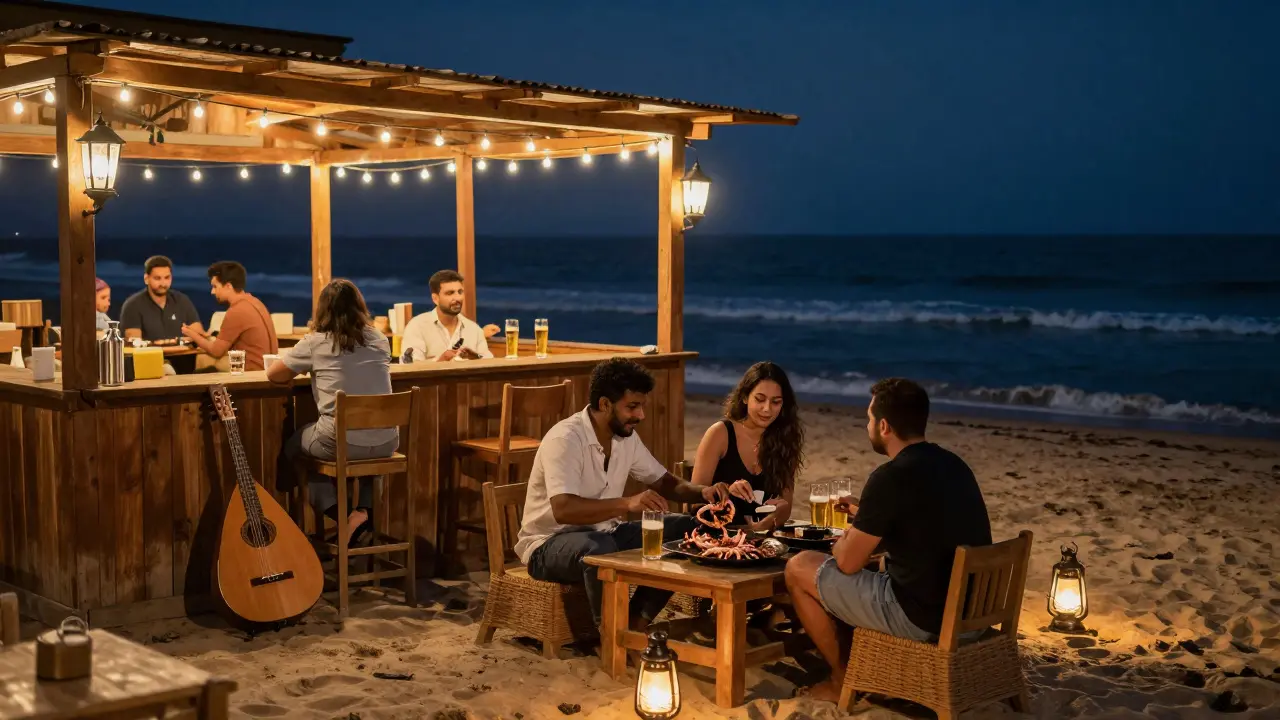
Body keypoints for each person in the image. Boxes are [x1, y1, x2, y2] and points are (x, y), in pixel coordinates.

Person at [784, 378, 992, 703]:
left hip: (923, 619)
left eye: (868, 419)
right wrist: (869, 515)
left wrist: (847, 535)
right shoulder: (954, 465)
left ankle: (841, 680)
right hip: (972, 616)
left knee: (799, 567)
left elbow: (847, 562)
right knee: (878, 562)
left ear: (884, 425)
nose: (867, 425)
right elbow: (926, 523)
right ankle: (864, 664)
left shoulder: (890, 476)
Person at [516, 357, 733, 628]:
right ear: (605, 404)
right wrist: (628, 503)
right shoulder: (566, 439)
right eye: (632, 407)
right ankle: (611, 635)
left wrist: (704, 493)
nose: (640, 415)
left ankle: (635, 622)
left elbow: (665, 482)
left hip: (606, 533)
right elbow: (564, 509)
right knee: (600, 549)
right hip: (549, 544)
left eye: (641, 406)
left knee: (692, 530)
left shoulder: (625, 438)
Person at [268, 278, 398, 549]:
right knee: (369, 460)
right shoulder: (379, 338)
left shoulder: (315, 342)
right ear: (360, 307)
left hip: (339, 442)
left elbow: (274, 374)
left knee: (299, 448)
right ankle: (363, 513)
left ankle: (339, 516)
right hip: (388, 441)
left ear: (322, 310)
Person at [691, 361, 803, 532]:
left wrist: (773, 518)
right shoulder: (720, 433)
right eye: (759, 399)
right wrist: (726, 491)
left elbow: (785, 506)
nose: (767, 409)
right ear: (744, 397)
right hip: (715, 536)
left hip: (761, 539)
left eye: (776, 402)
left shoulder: (786, 439)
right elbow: (693, 503)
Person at [181, 261, 278, 371]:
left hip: (252, 371)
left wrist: (191, 333)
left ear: (228, 286)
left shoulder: (236, 311)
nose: (212, 292)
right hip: (268, 368)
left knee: (202, 361)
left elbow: (216, 351)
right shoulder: (256, 302)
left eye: (215, 286)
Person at [400, 270, 494, 362]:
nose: (457, 298)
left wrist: (476, 359)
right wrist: (440, 361)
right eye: (450, 293)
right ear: (435, 298)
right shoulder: (417, 326)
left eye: (460, 292)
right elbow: (411, 367)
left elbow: (490, 365)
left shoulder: (474, 329)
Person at [119, 256, 203, 341]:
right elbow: (134, 344)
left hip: (184, 353)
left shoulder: (182, 301)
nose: (163, 283)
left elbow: (199, 337)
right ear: (146, 279)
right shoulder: (132, 305)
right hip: (150, 354)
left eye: (167, 278)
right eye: (157, 278)